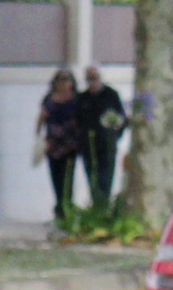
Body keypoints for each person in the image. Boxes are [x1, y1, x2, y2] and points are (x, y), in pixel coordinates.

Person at [35, 68, 82, 221]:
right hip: (53, 144)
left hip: (70, 144)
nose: (63, 83)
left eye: (67, 79)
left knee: (68, 176)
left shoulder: (76, 99)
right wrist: (38, 136)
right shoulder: (49, 99)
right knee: (56, 176)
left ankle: (67, 206)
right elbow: (42, 117)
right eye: (60, 79)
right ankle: (59, 206)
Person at [79, 63, 126, 207]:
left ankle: (104, 206)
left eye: (95, 77)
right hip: (89, 146)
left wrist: (115, 136)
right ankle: (96, 206)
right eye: (89, 78)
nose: (92, 81)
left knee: (105, 179)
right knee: (92, 180)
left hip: (107, 145)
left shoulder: (111, 95)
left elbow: (121, 118)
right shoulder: (82, 98)